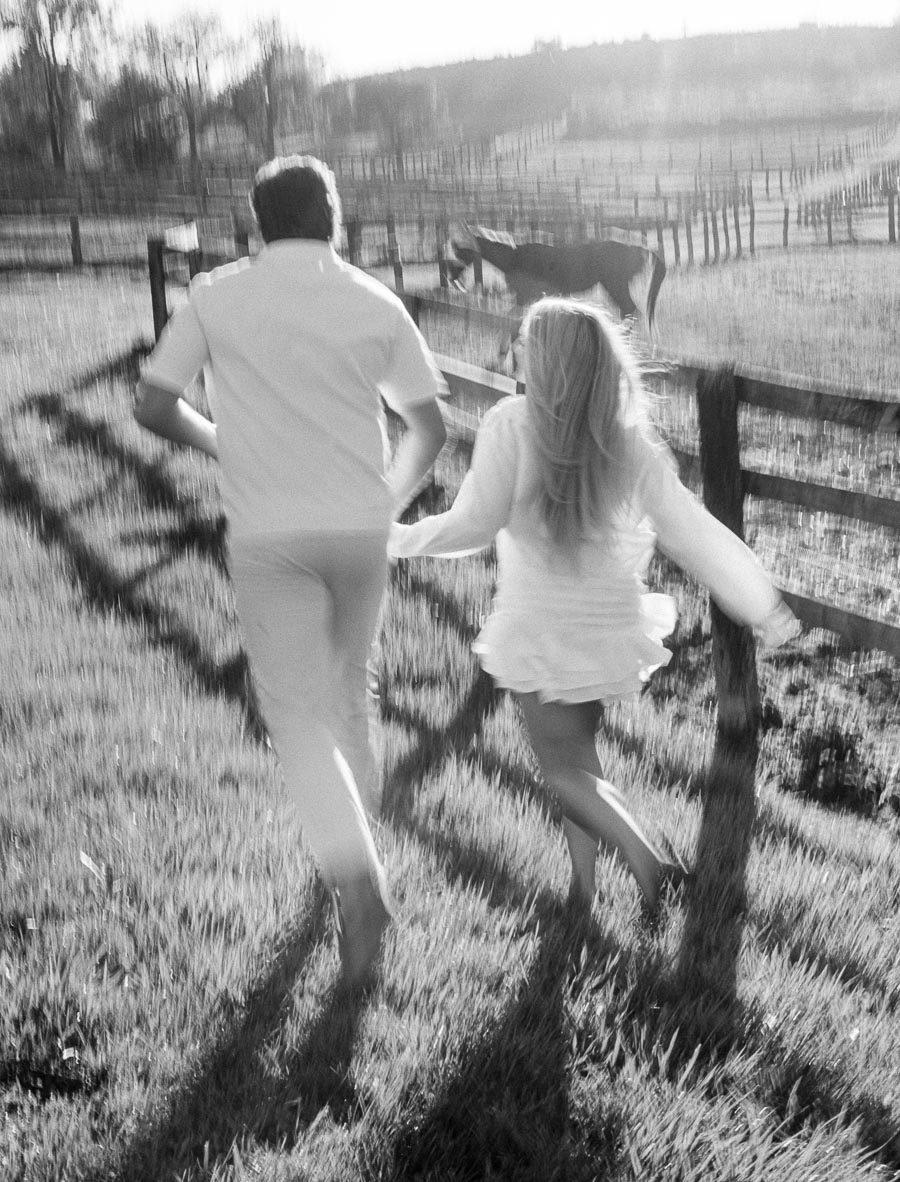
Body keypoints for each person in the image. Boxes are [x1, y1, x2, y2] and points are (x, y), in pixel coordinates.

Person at [134, 156, 447, 988]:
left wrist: (218, 441)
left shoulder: (216, 295)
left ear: (257, 220)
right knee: (348, 696)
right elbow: (430, 427)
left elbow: (152, 403)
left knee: (295, 715)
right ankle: (354, 862)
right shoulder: (376, 301)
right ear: (334, 217)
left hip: (270, 530)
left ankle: (356, 885)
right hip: (359, 529)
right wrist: (387, 497)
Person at [389, 296, 800, 915]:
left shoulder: (511, 424)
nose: (517, 352)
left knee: (559, 768)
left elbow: (474, 525)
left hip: (538, 626)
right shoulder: (630, 442)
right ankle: (583, 890)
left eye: (525, 343)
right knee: (578, 762)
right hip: (607, 628)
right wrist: (760, 603)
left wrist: (397, 539)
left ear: (547, 360)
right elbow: (696, 533)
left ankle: (649, 861)